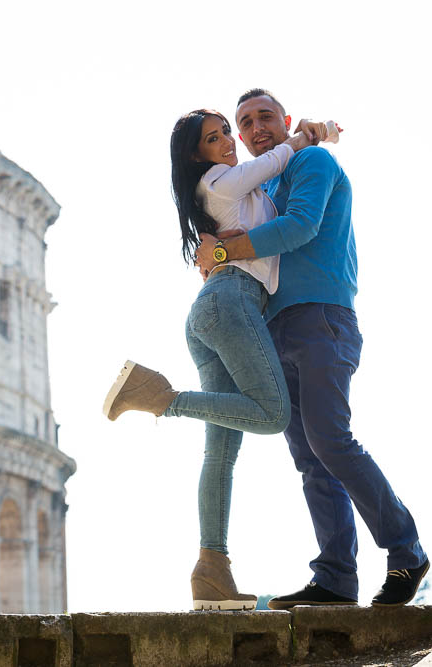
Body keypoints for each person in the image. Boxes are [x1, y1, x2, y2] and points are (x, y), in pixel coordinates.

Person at [195, 89, 429, 608]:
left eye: (264, 117)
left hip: (323, 315)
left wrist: (224, 249)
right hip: (274, 328)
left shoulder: (315, 161)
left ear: (286, 121)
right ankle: (336, 579)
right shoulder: (263, 185)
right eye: (244, 123)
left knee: (331, 441)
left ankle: (406, 552)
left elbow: (300, 228)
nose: (256, 129)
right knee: (309, 457)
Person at [102, 108, 328, 610]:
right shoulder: (220, 180)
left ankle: (212, 572)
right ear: (195, 154)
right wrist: (299, 139)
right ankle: (161, 397)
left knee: (220, 455)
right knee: (272, 416)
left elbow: (269, 192)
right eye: (215, 136)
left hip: (216, 309)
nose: (228, 140)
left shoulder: (235, 192)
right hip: (232, 304)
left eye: (228, 132)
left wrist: (316, 135)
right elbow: (272, 162)